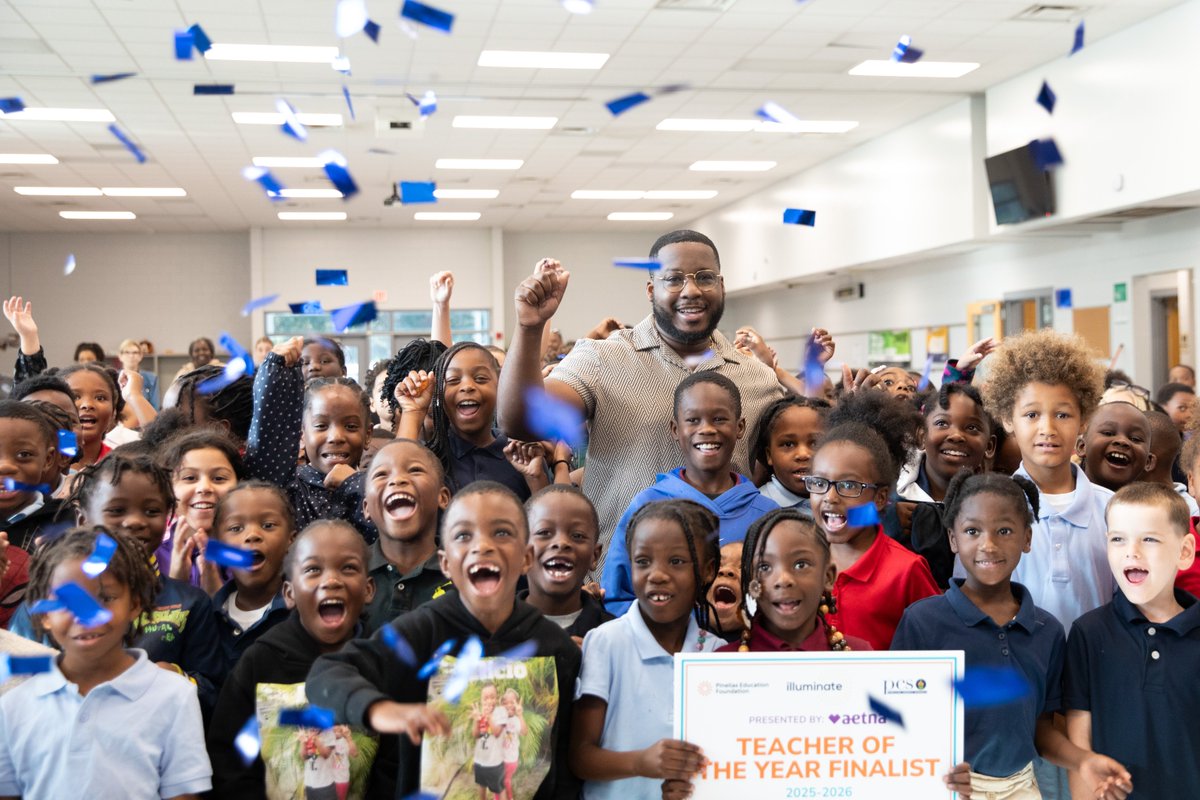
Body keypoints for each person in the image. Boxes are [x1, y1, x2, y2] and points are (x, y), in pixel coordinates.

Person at [498, 232, 799, 570]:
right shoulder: (602, 358)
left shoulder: (758, 378)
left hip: (724, 587)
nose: (691, 290)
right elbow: (522, 421)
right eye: (673, 279)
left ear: (721, 286)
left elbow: (771, 479)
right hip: (619, 585)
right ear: (651, 290)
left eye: (704, 277)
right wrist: (529, 328)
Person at [306, 481, 581, 800]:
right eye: (464, 535)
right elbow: (326, 673)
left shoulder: (556, 647)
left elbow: (561, 764)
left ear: (526, 557)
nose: (483, 546)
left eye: (501, 532)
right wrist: (378, 709)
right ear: (446, 563)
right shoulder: (421, 631)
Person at [893, 471, 1130, 799]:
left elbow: (1040, 731)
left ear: (1027, 538)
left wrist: (1083, 761)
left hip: (1020, 787)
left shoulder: (1046, 631)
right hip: (946, 788)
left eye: (1004, 531)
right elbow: (900, 724)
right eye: (972, 531)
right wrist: (932, 771)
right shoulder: (922, 623)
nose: (988, 545)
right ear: (952, 538)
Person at [0, 526, 212, 798]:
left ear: (135, 604)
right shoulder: (14, 705)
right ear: (44, 615)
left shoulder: (174, 695)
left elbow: (182, 794)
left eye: (105, 598)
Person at [207, 520, 376, 798]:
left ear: (368, 589)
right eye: (313, 570)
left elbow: (396, 763)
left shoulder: (382, 663)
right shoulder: (260, 661)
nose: (331, 580)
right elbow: (230, 760)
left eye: (348, 568)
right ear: (290, 593)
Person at [571, 499, 721, 800]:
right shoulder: (606, 642)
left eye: (676, 561)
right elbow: (580, 757)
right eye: (642, 561)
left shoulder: (719, 654)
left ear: (707, 570)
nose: (657, 574)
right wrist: (640, 762)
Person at [602, 372, 779, 615]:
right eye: (693, 420)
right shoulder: (647, 505)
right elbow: (616, 597)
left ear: (740, 427)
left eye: (719, 419)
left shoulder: (767, 515)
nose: (706, 429)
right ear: (675, 429)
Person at [1065, 482, 1198, 798]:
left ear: (1184, 552)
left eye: (1149, 539)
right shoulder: (1088, 632)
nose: (1131, 551)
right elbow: (1080, 745)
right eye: (1118, 539)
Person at [982, 330, 1110, 632]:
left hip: (1097, 660)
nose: (1047, 428)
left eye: (1063, 415)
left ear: (1084, 419)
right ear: (1008, 419)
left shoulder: (1113, 509)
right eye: (1031, 414)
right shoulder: (984, 508)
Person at [810, 391, 940, 650]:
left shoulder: (906, 571)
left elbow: (935, 647)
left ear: (880, 498)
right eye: (820, 482)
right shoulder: (796, 561)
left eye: (849, 485)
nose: (830, 497)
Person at [244, 337, 376, 541]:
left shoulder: (375, 487)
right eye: (321, 426)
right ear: (302, 435)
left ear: (367, 434)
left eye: (350, 426)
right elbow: (265, 452)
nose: (336, 437)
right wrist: (274, 371)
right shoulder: (291, 488)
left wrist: (354, 484)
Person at [396, 342, 547, 500]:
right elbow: (396, 477)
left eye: (480, 379)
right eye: (453, 380)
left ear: (500, 387)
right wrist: (412, 412)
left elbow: (545, 512)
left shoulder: (520, 454)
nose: (467, 386)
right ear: (439, 394)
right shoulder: (427, 457)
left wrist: (536, 479)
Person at [718, 507, 869, 653]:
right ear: (750, 581)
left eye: (800, 565)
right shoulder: (723, 663)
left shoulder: (860, 656)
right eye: (764, 567)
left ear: (828, 577)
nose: (783, 579)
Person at [360, 438, 452, 632]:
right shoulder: (350, 573)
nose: (397, 480)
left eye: (415, 470)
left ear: (443, 497)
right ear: (366, 508)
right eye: (381, 474)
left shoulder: (463, 573)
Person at [207, 482, 295, 673]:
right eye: (236, 528)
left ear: (291, 539)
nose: (252, 535)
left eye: (268, 525)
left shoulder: (303, 613)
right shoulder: (206, 617)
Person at [520, 485, 612, 644]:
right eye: (544, 533)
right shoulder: (489, 630)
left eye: (577, 535)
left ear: (594, 555)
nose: (561, 543)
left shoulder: (615, 638)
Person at [159, 429, 245, 583]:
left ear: (240, 486)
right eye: (189, 478)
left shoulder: (249, 557)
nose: (204, 487)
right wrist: (175, 583)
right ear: (168, 490)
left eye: (219, 478)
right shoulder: (151, 558)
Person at [897, 383, 996, 503]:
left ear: (989, 446)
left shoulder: (997, 504)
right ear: (921, 436)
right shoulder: (892, 497)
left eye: (972, 427)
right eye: (942, 423)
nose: (956, 436)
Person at [750, 395, 830, 518]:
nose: (803, 455)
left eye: (815, 443)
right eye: (788, 444)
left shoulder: (845, 502)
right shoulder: (756, 509)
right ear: (769, 455)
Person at [1074, 401, 1153, 493]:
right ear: (1082, 446)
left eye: (1135, 439)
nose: (1122, 441)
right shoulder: (1062, 498)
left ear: (1148, 462)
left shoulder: (1155, 501)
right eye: (1108, 433)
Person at [500, 687, 527, 800]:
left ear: (517, 704)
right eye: (506, 702)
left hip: (510, 759)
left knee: (505, 781)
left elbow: (524, 732)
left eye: (512, 702)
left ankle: (509, 798)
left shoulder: (516, 720)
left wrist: (520, 715)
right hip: (499, 758)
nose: (509, 705)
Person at [118, 338, 160, 410]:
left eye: (135, 352)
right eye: (127, 352)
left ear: (141, 356)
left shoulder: (151, 378)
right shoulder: (112, 377)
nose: (131, 356)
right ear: (120, 356)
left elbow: (155, 407)